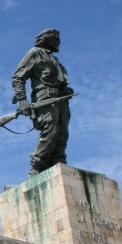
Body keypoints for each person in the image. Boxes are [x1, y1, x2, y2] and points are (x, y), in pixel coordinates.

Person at [11, 28, 74, 175]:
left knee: (62, 133)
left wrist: (66, 90)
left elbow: (59, 81)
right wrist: (22, 100)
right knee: (50, 130)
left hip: (61, 100)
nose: (59, 42)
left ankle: (59, 162)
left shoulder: (54, 59)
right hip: (44, 99)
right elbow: (18, 78)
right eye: (56, 39)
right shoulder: (34, 53)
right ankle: (38, 165)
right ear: (47, 39)